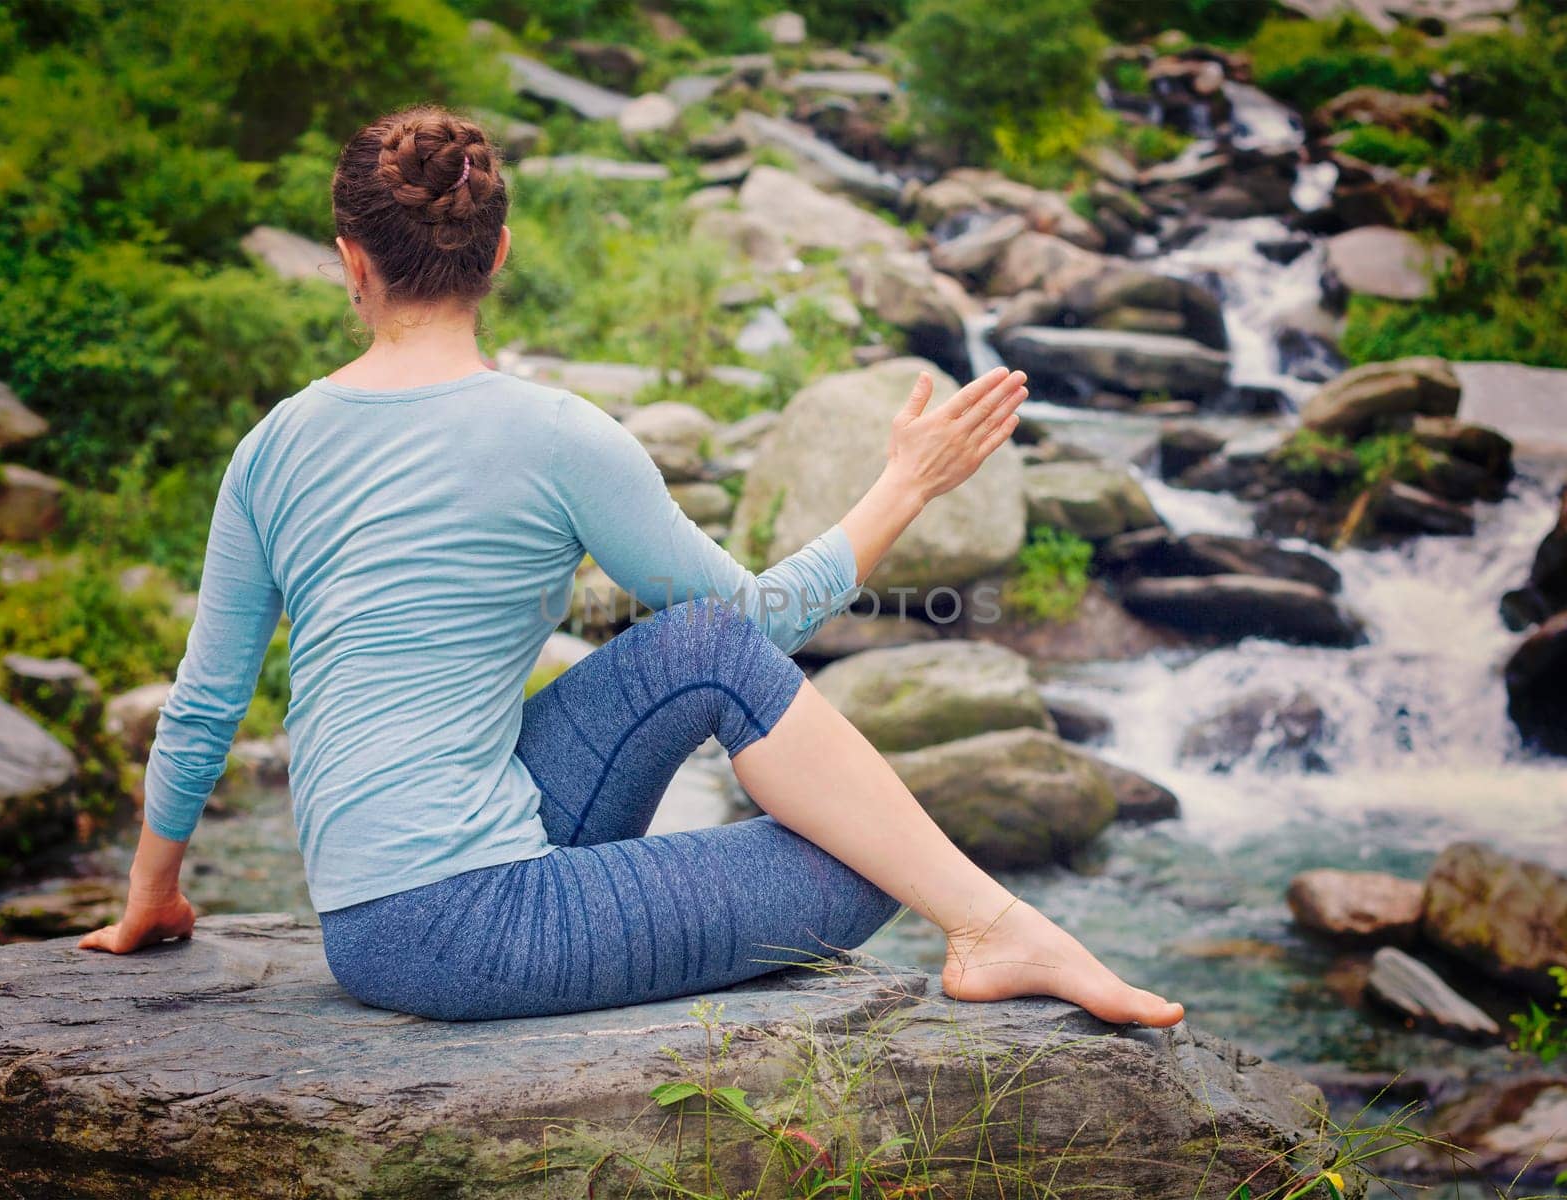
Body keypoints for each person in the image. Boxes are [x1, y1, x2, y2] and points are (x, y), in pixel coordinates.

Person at [80, 105, 1183, 1029]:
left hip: (381, 909)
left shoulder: (271, 445)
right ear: (498, 255)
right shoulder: (563, 433)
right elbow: (767, 620)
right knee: (867, 859)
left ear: (350, 261)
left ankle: (990, 923)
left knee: (708, 662)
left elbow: (206, 700)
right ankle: (992, 926)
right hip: (457, 930)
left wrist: (151, 898)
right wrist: (904, 485)